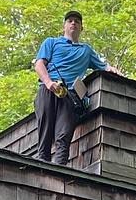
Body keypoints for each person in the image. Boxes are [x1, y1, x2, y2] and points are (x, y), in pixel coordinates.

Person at [33, 10, 114, 165]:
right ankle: (41, 166)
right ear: (64, 25)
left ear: (81, 28)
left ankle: (60, 170)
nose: (73, 23)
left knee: (63, 135)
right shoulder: (51, 42)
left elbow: (104, 67)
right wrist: (49, 83)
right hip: (48, 89)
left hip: (69, 94)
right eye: (70, 20)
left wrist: (114, 70)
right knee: (45, 131)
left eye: (77, 21)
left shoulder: (86, 50)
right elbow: (39, 64)